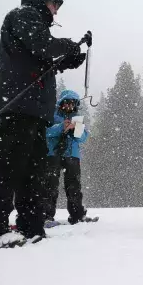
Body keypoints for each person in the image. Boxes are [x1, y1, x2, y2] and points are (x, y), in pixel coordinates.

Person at [0, 0, 91, 248]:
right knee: (8, 169)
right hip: (18, 108)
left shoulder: (34, 26)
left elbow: (41, 58)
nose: (55, 12)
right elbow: (42, 45)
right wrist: (66, 46)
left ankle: (31, 226)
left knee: (33, 172)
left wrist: (68, 58)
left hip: (35, 113)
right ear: (41, 0)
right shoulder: (23, 15)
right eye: (54, 5)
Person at [43, 89, 97, 226]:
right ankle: (46, 215)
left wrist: (75, 129)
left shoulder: (77, 119)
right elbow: (44, 132)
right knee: (50, 185)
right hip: (53, 154)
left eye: (72, 103)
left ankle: (77, 215)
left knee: (74, 186)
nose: (69, 106)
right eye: (66, 103)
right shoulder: (52, 116)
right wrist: (61, 127)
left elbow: (82, 138)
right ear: (61, 103)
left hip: (72, 155)